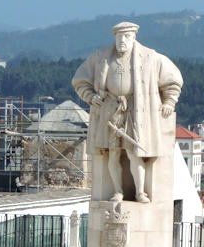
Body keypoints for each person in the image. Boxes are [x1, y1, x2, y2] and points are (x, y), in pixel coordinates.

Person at [72, 22, 183, 202]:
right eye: (119, 37)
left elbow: (173, 80)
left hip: (138, 112)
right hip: (111, 111)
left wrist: (170, 101)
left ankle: (140, 192)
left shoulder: (151, 57)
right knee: (113, 152)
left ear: (133, 37)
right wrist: (90, 96)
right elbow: (80, 80)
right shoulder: (100, 58)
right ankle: (117, 191)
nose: (122, 40)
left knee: (135, 153)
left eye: (126, 36)